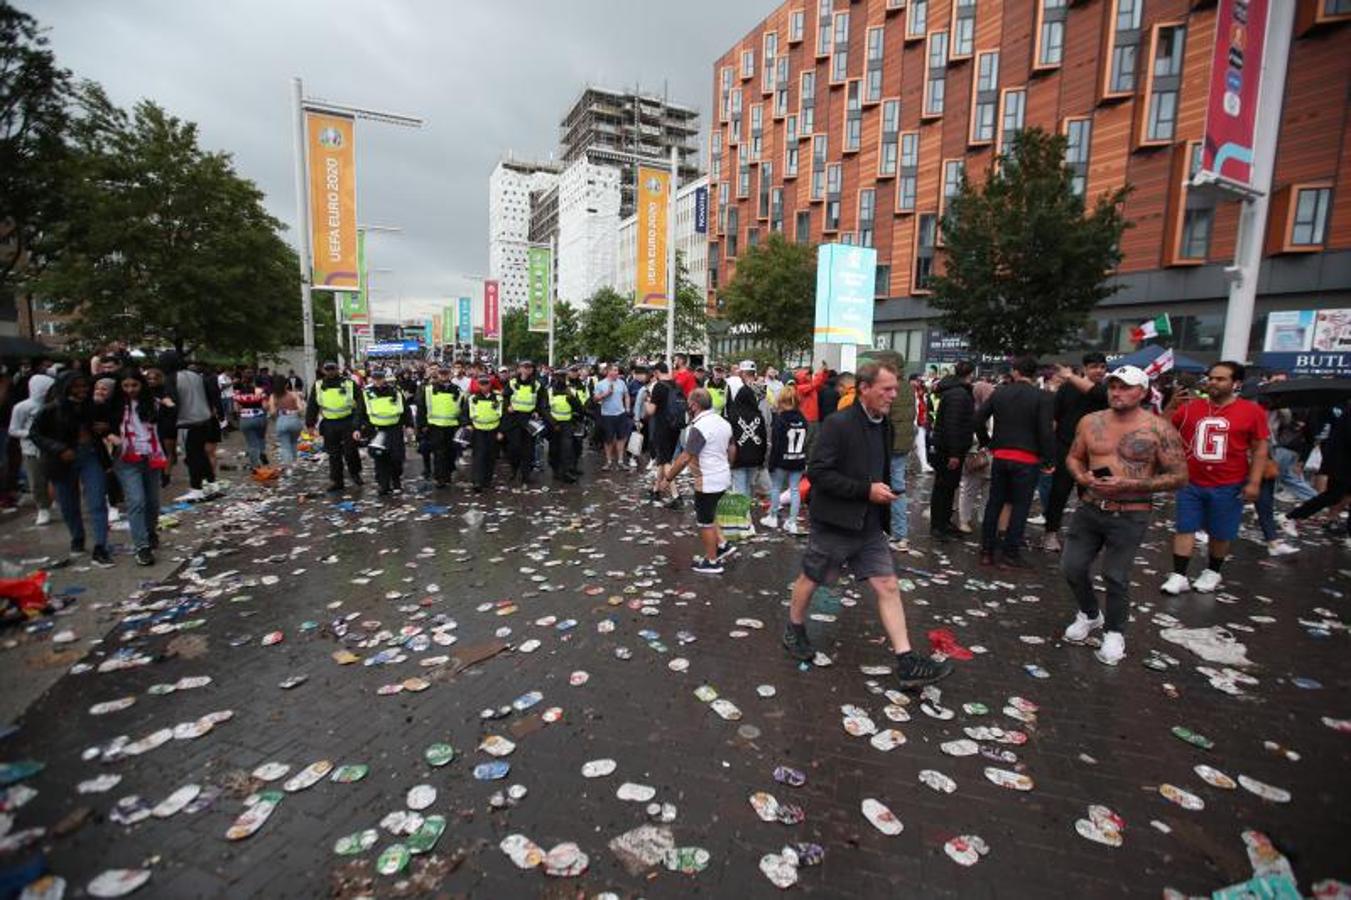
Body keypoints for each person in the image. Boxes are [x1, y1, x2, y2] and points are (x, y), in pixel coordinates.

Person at [781, 362, 954, 689]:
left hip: (869, 524)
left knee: (888, 585)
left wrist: (885, 491)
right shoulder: (838, 424)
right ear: (865, 388)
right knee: (812, 577)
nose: (893, 395)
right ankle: (794, 628)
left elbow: (878, 468)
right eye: (886, 389)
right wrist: (865, 490)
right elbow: (817, 473)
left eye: (895, 388)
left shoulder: (884, 425)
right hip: (834, 521)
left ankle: (906, 662)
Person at [1062, 366, 1188, 665]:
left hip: (1131, 512)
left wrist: (1131, 484)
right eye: (1113, 386)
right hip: (1091, 507)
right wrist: (1082, 477)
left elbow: (1180, 476)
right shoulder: (1090, 422)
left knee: (1115, 576)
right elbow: (1074, 456)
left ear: (1142, 392)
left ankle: (1115, 632)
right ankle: (1091, 614)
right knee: (1072, 567)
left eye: (1125, 387)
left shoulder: (1158, 428)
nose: (1117, 392)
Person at [1162, 361, 1269, 595]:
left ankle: (1212, 571)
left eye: (1220, 379)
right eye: (1211, 378)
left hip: (1229, 482)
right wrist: (1171, 405)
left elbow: (1260, 448)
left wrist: (1254, 482)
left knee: (1221, 532)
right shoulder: (1192, 407)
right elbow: (1161, 429)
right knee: (1185, 527)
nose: (1213, 382)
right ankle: (1179, 574)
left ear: (1236, 383)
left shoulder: (1252, 412)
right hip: (1190, 481)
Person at [974, 356, 1055, 569]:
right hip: (1028, 457)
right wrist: (1049, 458)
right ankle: (1010, 554)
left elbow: (978, 418)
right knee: (1020, 506)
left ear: (1015, 372)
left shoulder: (999, 393)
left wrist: (987, 442)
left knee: (995, 503)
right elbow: (1046, 431)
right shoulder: (1043, 397)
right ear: (1034, 374)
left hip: (1001, 455)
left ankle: (986, 551)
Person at [31, 371, 114, 566]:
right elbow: (35, 434)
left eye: (84, 386)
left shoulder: (92, 406)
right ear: (66, 387)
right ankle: (77, 537)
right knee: (68, 504)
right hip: (63, 460)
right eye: (77, 386)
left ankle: (100, 546)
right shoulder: (51, 409)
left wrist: (104, 428)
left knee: (97, 501)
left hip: (91, 456)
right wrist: (59, 449)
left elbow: (105, 425)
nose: (82, 390)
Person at [659, 388, 735, 574]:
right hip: (723, 475)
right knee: (711, 513)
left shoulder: (700, 427)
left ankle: (711, 561)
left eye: (688, 402)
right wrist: (727, 467)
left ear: (694, 405)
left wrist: (668, 478)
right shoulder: (723, 422)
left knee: (704, 522)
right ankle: (722, 545)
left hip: (707, 480)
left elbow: (686, 457)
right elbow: (732, 448)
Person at [1044, 354, 1110, 551]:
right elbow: (1055, 418)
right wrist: (1049, 449)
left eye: (1102, 367)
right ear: (1084, 368)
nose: (1099, 370)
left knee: (1091, 495)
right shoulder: (1067, 388)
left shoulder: (1107, 390)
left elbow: (1096, 394)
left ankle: (1087, 535)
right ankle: (1050, 534)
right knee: (1059, 493)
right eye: (1094, 367)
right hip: (1066, 447)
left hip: (1095, 452)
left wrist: (1070, 376)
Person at [108, 369, 169, 566]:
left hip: (151, 456)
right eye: (126, 386)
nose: (130, 390)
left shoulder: (153, 404)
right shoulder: (113, 405)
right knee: (136, 501)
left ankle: (150, 532)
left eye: (134, 385)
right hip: (126, 459)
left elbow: (165, 428)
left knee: (152, 502)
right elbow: (102, 426)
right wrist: (112, 437)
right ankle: (141, 546)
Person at [1282, 400, 1350, 548]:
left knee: (1337, 495)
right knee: (1332, 495)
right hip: (1342, 463)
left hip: (1339, 461)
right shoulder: (1340, 410)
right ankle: (1292, 516)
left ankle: (1294, 516)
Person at [928, 360, 976, 541]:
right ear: (970, 374)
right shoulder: (959, 394)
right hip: (948, 449)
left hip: (946, 446)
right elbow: (953, 425)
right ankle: (938, 525)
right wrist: (955, 453)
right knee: (944, 488)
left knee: (947, 487)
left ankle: (944, 522)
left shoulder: (954, 391)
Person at [305, 360, 366, 493]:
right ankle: (337, 481)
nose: (331, 371)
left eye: (333, 369)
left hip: (348, 422)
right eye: (328, 369)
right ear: (323, 370)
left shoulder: (349, 384)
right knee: (334, 454)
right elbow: (312, 406)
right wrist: (310, 424)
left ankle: (355, 473)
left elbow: (360, 404)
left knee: (351, 451)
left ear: (338, 369)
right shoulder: (318, 385)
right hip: (329, 423)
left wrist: (358, 424)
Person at [7, 372, 54, 525]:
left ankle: (57, 501)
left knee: (56, 478)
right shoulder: (22, 407)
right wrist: (31, 435)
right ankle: (43, 508)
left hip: (52, 448)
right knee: (36, 481)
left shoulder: (52, 406)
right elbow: (13, 429)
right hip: (31, 450)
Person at [761, 388, 808, 534]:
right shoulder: (803, 419)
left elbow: (776, 444)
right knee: (795, 490)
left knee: (776, 487)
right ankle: (792, 522)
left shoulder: (781, 419)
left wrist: (771, 463)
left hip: (782, 459)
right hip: (798, 459)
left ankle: (773, 516)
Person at [363, 369, 411, 496]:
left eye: (380, 378)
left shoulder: (395, 391)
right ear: (372, 379)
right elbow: (360, 411)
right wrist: (358, 428)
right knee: (380, 458)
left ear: (384, 379)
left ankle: (396, 481)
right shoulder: (367, 393)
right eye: (375, 379)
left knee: (396, 458)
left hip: (394, 428)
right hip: (377, 429)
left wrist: (409, 425)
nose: (378, 381)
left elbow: (405, 410)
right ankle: (383, 485)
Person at [956, 380, 996, 535]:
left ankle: (982, 518)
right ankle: (964, 519)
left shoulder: (995, 411)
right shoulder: (971, 411)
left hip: (989, 456)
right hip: (975, 455)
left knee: (987, 489)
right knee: (969, 488)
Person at [884, 363, 917, 551]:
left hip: (888, 442)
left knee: (885, 486)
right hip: (903, 443)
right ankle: (899, 534)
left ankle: (896, 534)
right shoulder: (908, 388)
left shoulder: (890, 387)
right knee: (897, 487)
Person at [418, 363, 463, 488]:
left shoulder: (457, 390)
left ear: (450, 374)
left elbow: (462, 407)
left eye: (446, 373)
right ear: (438, 375)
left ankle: (447, 474)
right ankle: (440, 478)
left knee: (451, 452)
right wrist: (422, 425)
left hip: (452, 425)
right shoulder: (429, 389)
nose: (444, 376)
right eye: (441, 374)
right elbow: (422, 408)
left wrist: (462, 424)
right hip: (435, 425)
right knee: (439, 453)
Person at [503, 360, 545, 485]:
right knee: (513, 447)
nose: (526, 370)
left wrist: (537, 411)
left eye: (529, 368)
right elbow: (505, 397)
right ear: (519, 369)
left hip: (528, 419)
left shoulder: (537, 385)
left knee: (528, 449)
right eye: (524, 367)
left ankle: (526, 475)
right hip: (514, 418)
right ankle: (514, 470)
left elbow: (542, 401)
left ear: (532, 370)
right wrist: (507, 406)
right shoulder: (512, 383)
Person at [728, 381, 767, 499]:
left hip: (738, 458)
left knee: (740, 489)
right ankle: (746, 513)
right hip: (755, 458)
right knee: (749, 488)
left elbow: (729, 438)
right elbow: (763, 439)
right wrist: (762, 459)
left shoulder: (733, 415)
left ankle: (744, 516)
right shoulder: (758, 416)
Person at [545, 369, 582, 483]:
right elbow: (545, 409)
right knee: (554, 450)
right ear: (554, 378)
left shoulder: (571, 390)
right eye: (558, 377)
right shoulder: (549, 391)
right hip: (553, 424)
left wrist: (572, 399)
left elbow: (579, 408)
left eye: (562, 377)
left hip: (567, 423)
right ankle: (556, 470)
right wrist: (553, 423)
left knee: (567, 449)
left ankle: (565, 472)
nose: (560, 379)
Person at [468, 374, 503, 493]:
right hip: (478, 430)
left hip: (493, 429)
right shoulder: (472, 398)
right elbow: (466, 413)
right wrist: (468, 425)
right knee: (479, 456)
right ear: (478, 384)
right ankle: (477, 481)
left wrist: (501, 431)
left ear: (490, 384)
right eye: (481, 383)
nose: (484, 386)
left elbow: (503, 416)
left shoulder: (498, 398)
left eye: (486, 383)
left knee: (490, 456)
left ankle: (487, 481)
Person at [594, 364, 630, 471]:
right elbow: (595, 399)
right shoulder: (601, 384)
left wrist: (627, 408)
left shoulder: (621, 382)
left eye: (617, 370)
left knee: (621, 438)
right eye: (614, 370)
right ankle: (609, 461)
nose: (617, 372)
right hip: (607, 415)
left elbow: (626, 395)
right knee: (608, 439)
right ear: (608, 371)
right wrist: (606, 394)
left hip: (621, 414)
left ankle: (620, 461)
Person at [234, 372, 269, 469]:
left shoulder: (238, 393)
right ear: (253, 380)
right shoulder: (260, 391)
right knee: (261, 438)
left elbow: (236, 409)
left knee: (252, 443)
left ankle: (255, 466)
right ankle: (262, 452)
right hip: (260, 418)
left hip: (245, 419)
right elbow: (265, 406)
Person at [268, 375, 304, 465]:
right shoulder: (293, 394)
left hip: (281, 420)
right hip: (294, 420)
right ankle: (294, 462)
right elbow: (301, 409)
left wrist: (276, 417)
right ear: (286, 384)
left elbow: (272, 412)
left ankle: (288, 466)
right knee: (293, 443)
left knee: (285, 445)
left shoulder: (273, 396)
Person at [912, 374, 934, 474]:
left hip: (921, 421)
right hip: (913, 421)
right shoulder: (910, 392)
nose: (920, 383)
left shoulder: (923, 393)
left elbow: (926, 406)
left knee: (921, 444)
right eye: (918, 381)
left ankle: (924, 464)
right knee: (909, 446)